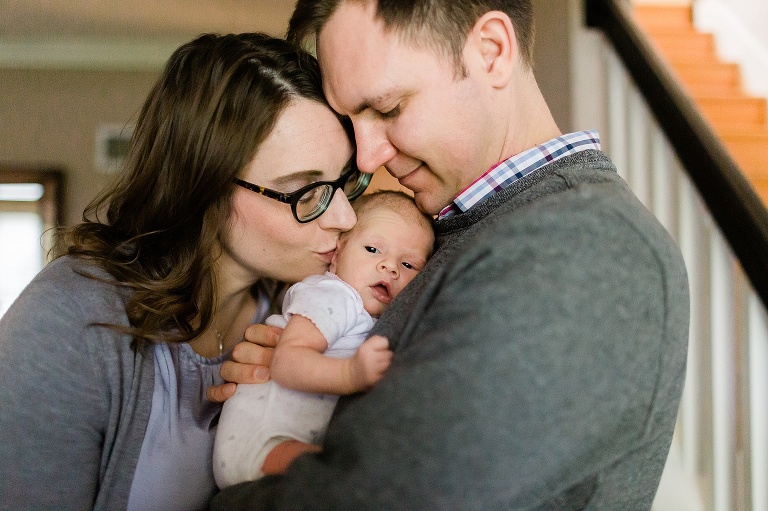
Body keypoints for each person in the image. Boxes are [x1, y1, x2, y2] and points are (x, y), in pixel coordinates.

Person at [209, 1, 690, 509]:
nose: (368, 157)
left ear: (491, 52)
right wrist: (302, 384)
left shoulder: (586, 247)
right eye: (353, 122)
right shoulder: (469, 232)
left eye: (389, 108)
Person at [0, 32, 372, 510]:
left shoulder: (308, 309)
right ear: (207, 189)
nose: (345, 217)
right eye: (306, 191)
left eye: (345, 181)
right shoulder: (69, 321)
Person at [213, 191, 434, 488]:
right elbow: (286, 363)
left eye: (408, 265)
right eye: (372, 249)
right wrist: (351, 373)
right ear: (337, 253)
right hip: (262, 441)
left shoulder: (368, 313)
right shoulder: (334, 295)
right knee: (351, 478)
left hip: (286, 440)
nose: (390, 267)